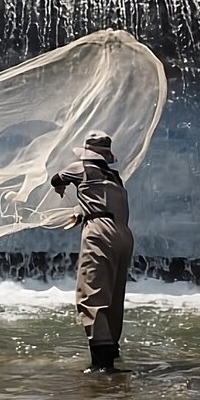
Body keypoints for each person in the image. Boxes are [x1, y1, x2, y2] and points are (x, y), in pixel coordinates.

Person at [50, 131, 133, 372]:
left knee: (91, 296)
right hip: (124, 234)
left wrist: (62, 189)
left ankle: (102, 364)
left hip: (100, 231)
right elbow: (103, 200)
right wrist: (82, 209)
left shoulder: (81, 168)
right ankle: (112, 352)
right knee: (114, 296)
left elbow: (57, 179)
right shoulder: (114, 176)